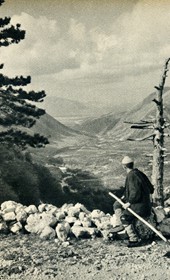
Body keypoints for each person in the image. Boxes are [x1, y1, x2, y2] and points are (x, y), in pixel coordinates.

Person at [112, 156, 154, 247]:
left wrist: (129, 202)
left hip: (140, 206)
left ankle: (134, 239)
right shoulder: (139, 173)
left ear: (124, 167)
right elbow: (151, 189)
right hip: (145, 204)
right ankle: (120, 225)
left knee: (125, 218)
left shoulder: (131, 175)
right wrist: (123, 198)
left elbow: (135, 192)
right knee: (116, 204)